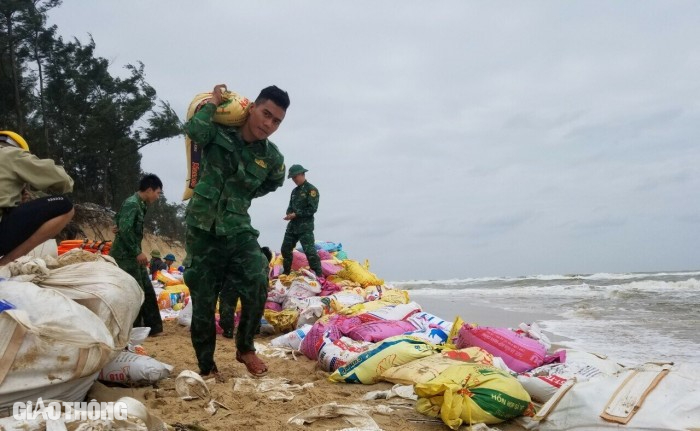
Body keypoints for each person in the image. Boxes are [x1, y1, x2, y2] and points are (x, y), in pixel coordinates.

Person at [183, 83, 289, 377]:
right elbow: (194, 130)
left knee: (257, 277)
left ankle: (245, 348)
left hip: (238, 227)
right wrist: (213, 103)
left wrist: (239, 197)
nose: (268, 124)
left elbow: (270, 183)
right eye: (266, 114)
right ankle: (207, 366)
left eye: (276, 121)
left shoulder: (273, 159)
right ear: (252, 107)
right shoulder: (217, 132)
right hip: (202, 227)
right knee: (204, 300)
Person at [0, 131, 74, 266]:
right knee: (65, 206)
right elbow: (63, 181)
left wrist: (15, 201)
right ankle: (5, 263)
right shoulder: (10, 153)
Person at [110, 174, 164, 336]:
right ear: (149, 190)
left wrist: (117, 225)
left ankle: (153, 328)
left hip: (132, 255)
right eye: (158, 193)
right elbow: (125, 230)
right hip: (125, 256)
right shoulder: (132, 204)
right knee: (135, 292)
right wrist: (137, 252)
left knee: (146, 289)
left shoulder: (141, 204)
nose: (158, 196)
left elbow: (120, 221)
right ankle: (133, 330)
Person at [219, 246, 273, 339]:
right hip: (253, 282)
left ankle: (228, 330)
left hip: (234, 279)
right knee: (255, 305)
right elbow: (264, 281)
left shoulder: (241, 251)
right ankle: (253, 331)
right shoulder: (264, 260)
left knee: (227, 303)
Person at [281, 164, 322, 277]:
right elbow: (290, 206)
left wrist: (296, 214)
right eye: (292, 178)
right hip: (292, 226)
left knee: (310, 252)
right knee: (285, 249)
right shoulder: (294, 192)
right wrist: (289, 214)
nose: (294, 180)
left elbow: (312, 209)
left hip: (305, 227)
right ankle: (286, 273)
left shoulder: (311, 190)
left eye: (295, 177)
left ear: (302, 174)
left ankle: (318, 275)